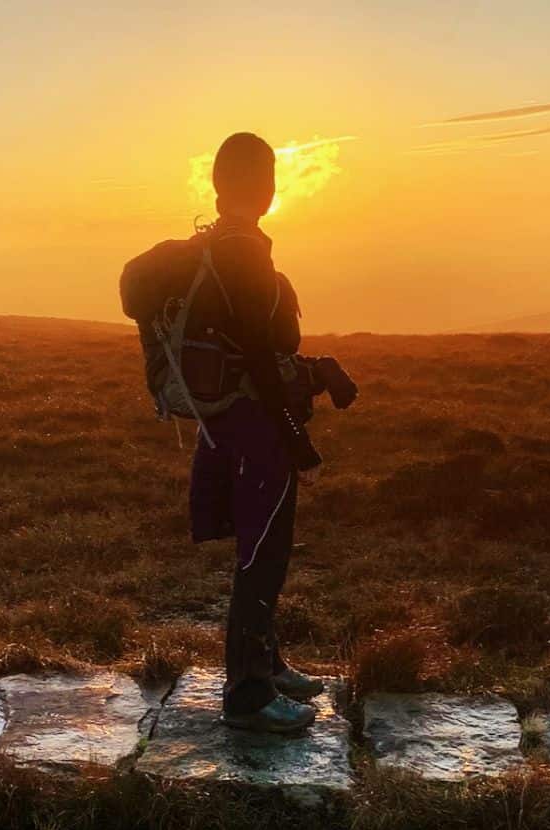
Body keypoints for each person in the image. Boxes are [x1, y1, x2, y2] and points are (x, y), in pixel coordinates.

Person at [121, 133, 353, 733]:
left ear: (219, 185)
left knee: (259, 546)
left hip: (225, 422)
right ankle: (248, 694)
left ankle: (267, 664)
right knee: (263, 552)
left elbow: (245, 347)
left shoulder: (210, 246)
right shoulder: (243, 252)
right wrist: (296, 433)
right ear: (267, 188)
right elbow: (260, 355)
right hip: (254, 425)